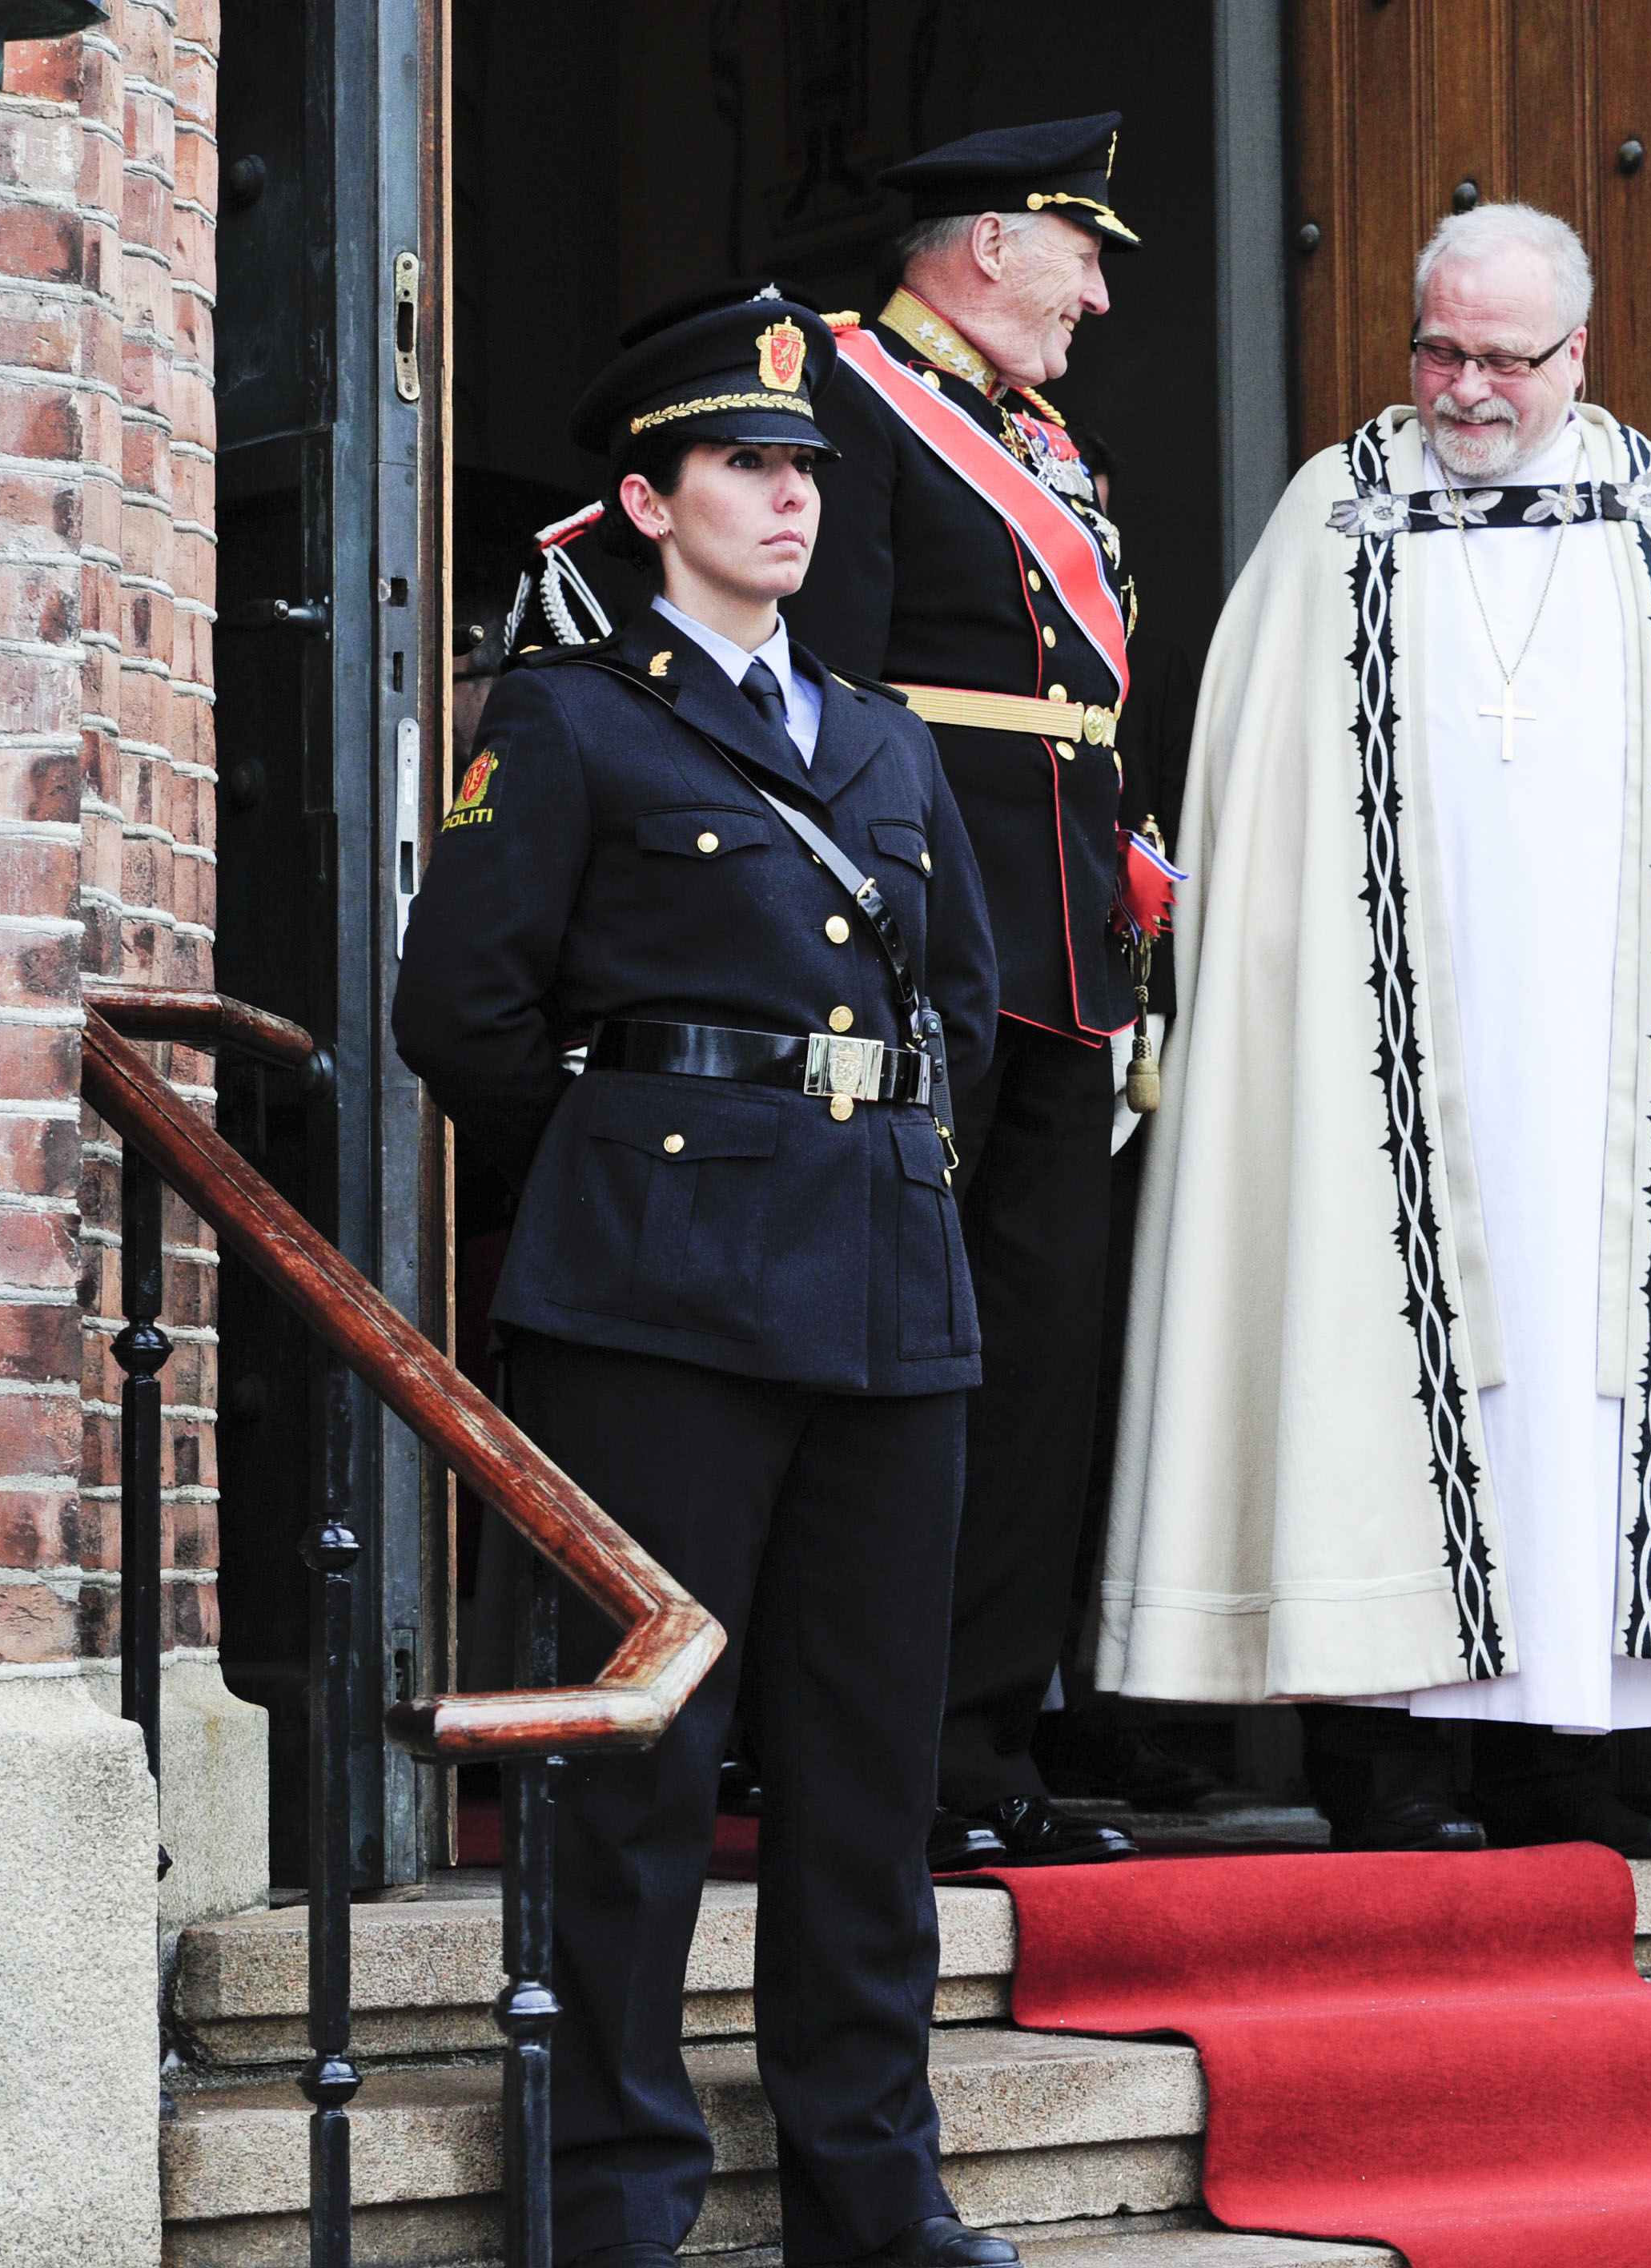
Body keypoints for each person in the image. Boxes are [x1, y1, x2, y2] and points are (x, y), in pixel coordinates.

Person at [1095, 203, 1651, 1856]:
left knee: (1596, 1372)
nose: (1466, 388)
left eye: (1503, 357)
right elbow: (1262, 824)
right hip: (1388, 1053)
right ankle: (1385, 1764)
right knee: (1369, 1337)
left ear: (1580, 354)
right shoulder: (1331, 521)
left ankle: (1573, 1761)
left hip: (1612, 1054)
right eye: (1438, 349)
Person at [392, 292, 1018, 2268]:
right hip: (660, 1292)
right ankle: (614, 2198)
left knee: (866, 1776)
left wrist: (868, 1172)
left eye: (808, 469)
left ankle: (871, 2187)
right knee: (634, 1765)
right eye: (749, 464)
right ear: (648, 498)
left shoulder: (888, 740)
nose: (788, 497)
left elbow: (970, 1023)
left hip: (888, 1297)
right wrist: (660, 1161)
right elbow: (462, 1018)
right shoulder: (570, 722)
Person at [781, 115, 1154, 1872]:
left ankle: (981, 1745)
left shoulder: (1040, 436)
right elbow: (833, 693)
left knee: (1033, 1362)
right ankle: (851, 1742)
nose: (1095, 291)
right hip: (927, 937)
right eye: (1082, 250)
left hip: (1064, 950)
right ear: (991, 243)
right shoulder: (840, 398)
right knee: (898, 1364)